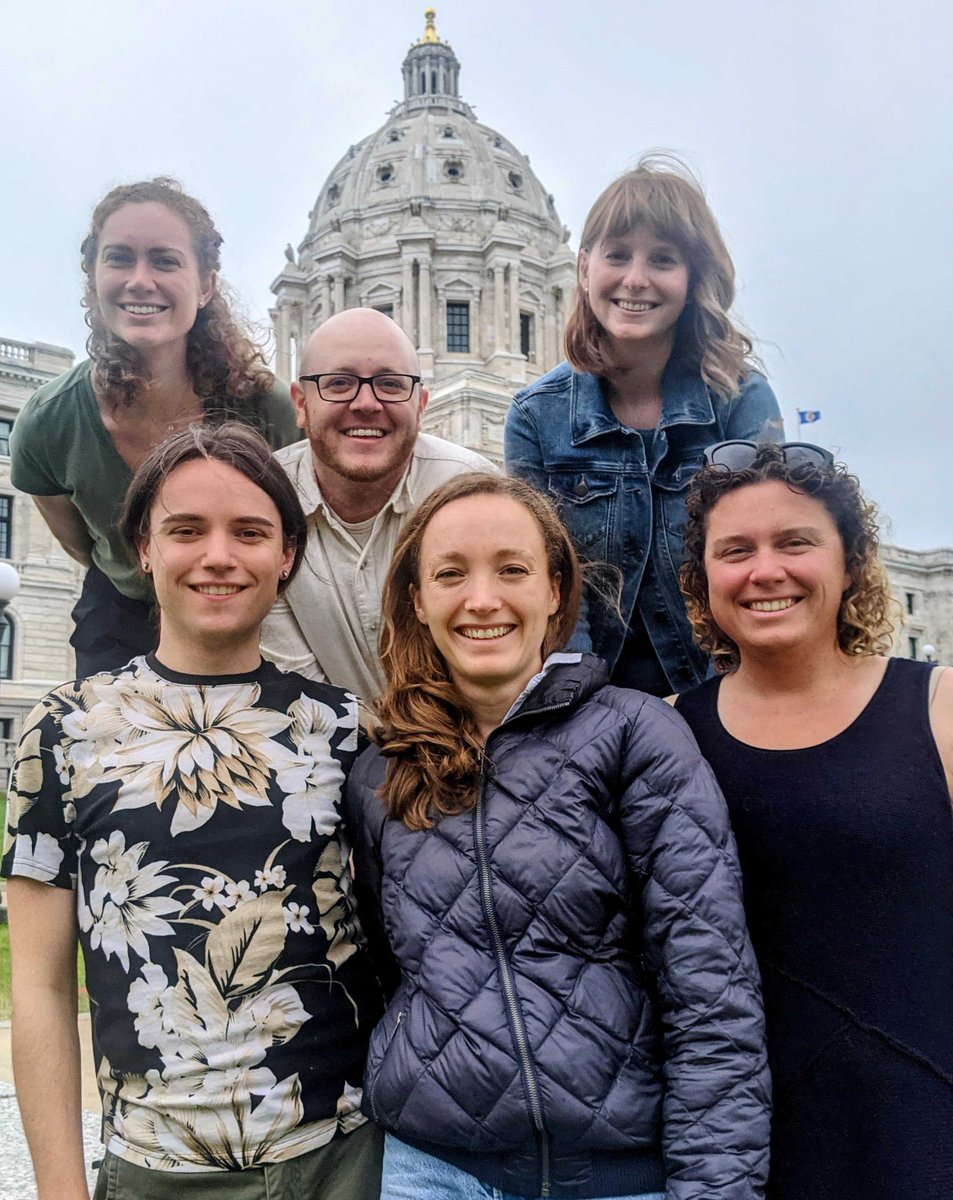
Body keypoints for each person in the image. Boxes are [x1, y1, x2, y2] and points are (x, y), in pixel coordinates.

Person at [345, 472, 770, 1200]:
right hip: (431, 1172)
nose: (482, 600)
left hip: (619, 1176)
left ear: (553, 590)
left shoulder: (635, 732)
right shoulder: (380, 774)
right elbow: (390, 974)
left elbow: (710, 995)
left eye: (512, 570)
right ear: (418, 601)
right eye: (451, 574)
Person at [1, 423, 384, 1200]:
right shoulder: (62, 729)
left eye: (249, 532)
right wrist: (61, 1187)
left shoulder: (347, 729)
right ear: (143, 548)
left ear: (286, 557)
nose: (218, 555)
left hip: (343, 1159)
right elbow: (39, 985)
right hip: (155, 1166)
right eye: (185, 530)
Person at [674, 441, 953, 1199]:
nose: (766, 571)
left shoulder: (939, 710)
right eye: (735, 550)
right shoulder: (661, 735)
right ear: (701, 580)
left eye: (795, 542)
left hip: (920, 1135)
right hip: (732, 1154)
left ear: (852, 563)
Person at [505, 155, 783, 696]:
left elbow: (761, 558)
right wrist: (591, 712)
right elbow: (546, 582)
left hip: (729, 693)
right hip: (591, 703)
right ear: (583, 269)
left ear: (693, 277)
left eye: (662, 259)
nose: (635, 280)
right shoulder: (535, 416)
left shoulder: (740, 400)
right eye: (618, 256)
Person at [10, 177, 299, 676]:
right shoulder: (47, 423)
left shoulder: (268, 408)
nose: (140, 280)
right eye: (120, 258)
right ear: (94, 279)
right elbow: (86, 545)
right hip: (119, 618)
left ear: (206, 284)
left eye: (165, 260)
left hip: (246, 611)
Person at [260, 307, 493, 700]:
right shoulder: (258, 502)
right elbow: (296, 685)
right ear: (299, 403)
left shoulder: (475, 491)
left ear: (421, 405)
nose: (366, 403)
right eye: (338, 383)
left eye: (390, 384)